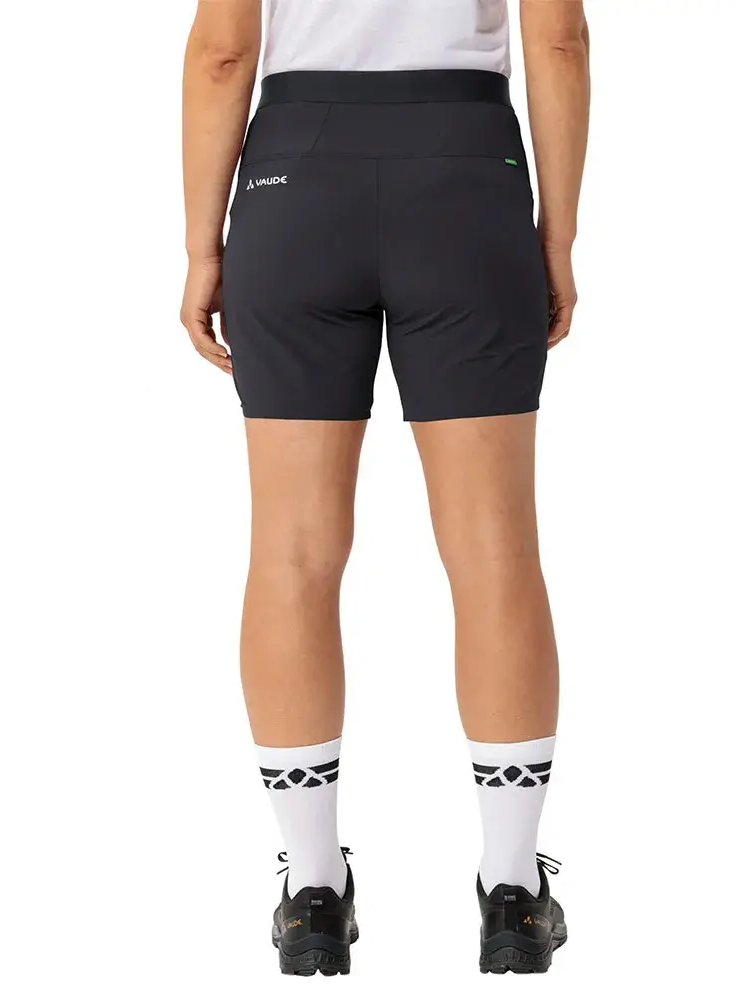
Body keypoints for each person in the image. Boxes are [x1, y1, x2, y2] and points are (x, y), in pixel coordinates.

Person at [180, 0, 589, 976]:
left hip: (295, 175)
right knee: (493, 550)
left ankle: (312, 891)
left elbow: (223, 53)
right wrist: (557, 239)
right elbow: (558, 39)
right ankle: (512, 890)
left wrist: (202, 249)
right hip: (466, 175)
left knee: (293, 553)